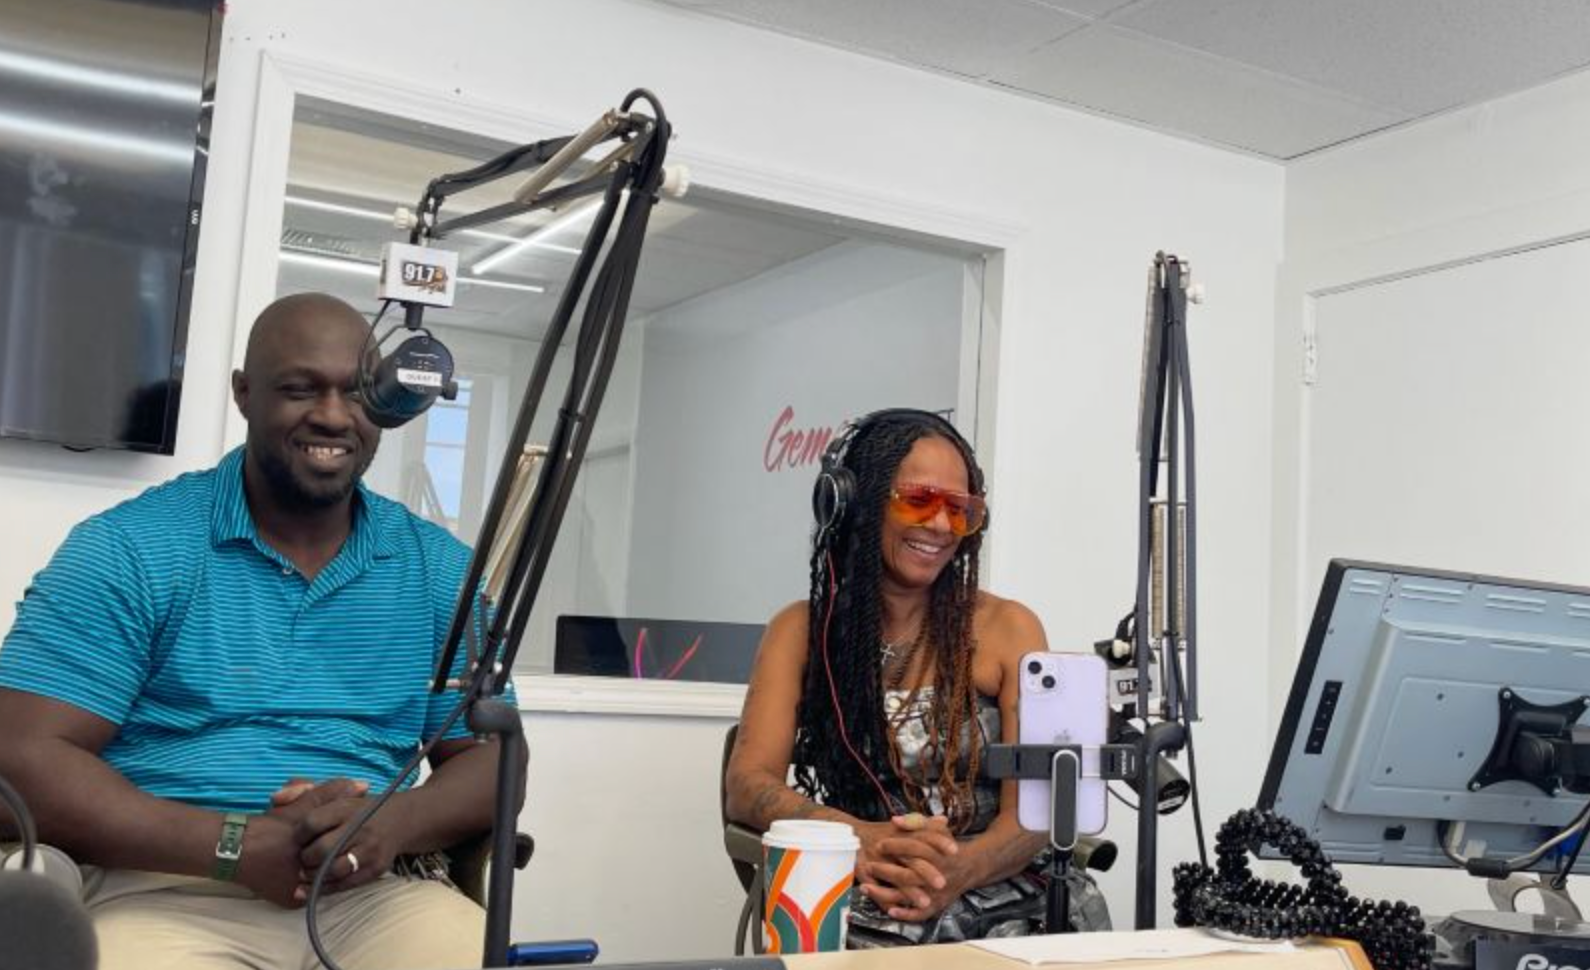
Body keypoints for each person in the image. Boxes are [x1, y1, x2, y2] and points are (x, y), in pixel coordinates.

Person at [0, 292, 517, 970]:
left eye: (356, 392)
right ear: (245, 395)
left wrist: (388, 824)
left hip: (372, 891)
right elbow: (19, 756)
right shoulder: (133, 548)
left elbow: (495, 758)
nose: (333, 415)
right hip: (162, 888)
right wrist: (233, 845)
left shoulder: (438, 570)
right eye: (300, 389)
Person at [726, 408, 1109, 945]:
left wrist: (957, 872)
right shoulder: (799, 632)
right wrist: (857, 838)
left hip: (1005, 888)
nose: (939, 525)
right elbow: (746, 785)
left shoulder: (1008, 628)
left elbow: (1035, 811)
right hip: (871, 882)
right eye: (918, 499)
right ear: (855, 504)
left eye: (960, 509)